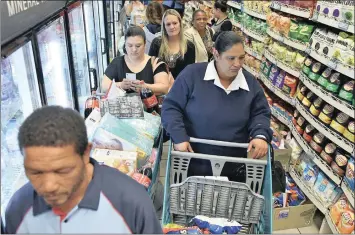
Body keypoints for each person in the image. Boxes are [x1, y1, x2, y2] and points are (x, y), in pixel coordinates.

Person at [4, 106, 162, 234]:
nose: (49, 186)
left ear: (86, 153)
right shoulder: (18, 209)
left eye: (63, 171)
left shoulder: (131, 203)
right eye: (36, 172)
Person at [161, 32, 272, 181]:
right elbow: (171, 107)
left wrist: (260, 135)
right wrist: (179, 136)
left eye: (241, 58)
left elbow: (260, 113)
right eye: (231, 58)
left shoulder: (250, 83)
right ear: (216, 54)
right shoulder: (192, 75)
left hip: (234, 168)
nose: (237, 64)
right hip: (192, 162)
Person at [102, 26, 169, 95]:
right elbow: (104, 86)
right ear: (125, 45)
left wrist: (146, 87)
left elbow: (164, 88)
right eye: (130, 46)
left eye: (138, 46)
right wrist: (120, 85)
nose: (134, 50)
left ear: (145, 45)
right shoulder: (117, 62)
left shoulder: (155, 62)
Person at [149, 9, 195, 81]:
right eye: (168, 24)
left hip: (182, 88)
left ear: (180, 24)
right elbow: (150, 68)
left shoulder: (190, 46)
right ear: (164, 26)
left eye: (175, 23)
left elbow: (190, 73)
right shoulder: (156, 43)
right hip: (160, 87)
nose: (172, 27)